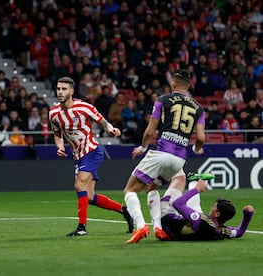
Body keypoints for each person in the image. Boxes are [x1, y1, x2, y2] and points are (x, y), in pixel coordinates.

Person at [123, 70, 206, 244]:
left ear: (173, 84)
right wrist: (197, 149)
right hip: (179, 159)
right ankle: (158, 227)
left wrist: (143, 147)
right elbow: (200, 138)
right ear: (188, 85)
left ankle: (140, 226)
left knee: (130, 190)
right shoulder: (199, 108)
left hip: (161, 152)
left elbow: (150, 130)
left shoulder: (163, 100)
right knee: (151, 186)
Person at [49, 77, 133, 236]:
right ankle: (124, 211)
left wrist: (111, 129)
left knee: (79, 186)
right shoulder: (53, 113)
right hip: (78, 156)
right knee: (89, 196)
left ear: (71, 91)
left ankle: (81, 228)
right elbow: (57, 134)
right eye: (58, 89)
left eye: (64, 89)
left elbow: (102, 121)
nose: (60, 92)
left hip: (92, 152)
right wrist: (59, 146)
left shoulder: (84, 107)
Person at [161, 175, 254, 241]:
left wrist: (196, 190)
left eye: (214, 207)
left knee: (180, 178)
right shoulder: (221, 231)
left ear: (217, 214)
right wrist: (247, 215)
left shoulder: (201, 221)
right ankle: (193, 181)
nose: (212, 208)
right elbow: (239, 233)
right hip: (178, 231)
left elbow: (177, 204)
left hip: (165, 219)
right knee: (196, 210)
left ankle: (194, 182)